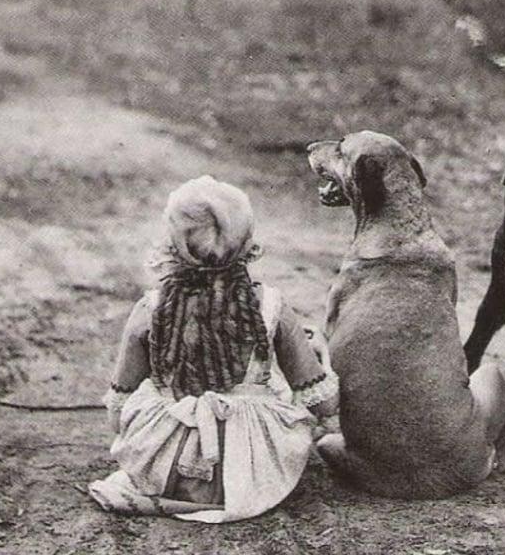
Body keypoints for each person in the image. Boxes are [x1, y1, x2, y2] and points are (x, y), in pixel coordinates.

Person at [88, 176, 339, 522]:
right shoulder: (270, 306)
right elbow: (323, 403)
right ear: (246, 241)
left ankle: (168, 492)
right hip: (251, 474)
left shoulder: (150, 309)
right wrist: (322, 353)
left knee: (148, 399)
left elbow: (118, 411)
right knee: (279, 393)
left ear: (173, 244)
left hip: (163, 468)